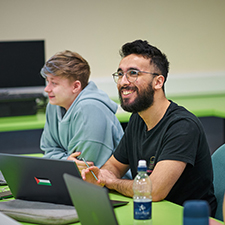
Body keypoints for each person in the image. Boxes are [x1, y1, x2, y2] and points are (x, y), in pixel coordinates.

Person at [82, 40, 217, 216]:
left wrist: (113, 182)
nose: (123, 82)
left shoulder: (183, 126)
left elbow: (153, 191)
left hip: (186, 218)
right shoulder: (137, 119)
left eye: (133, 73)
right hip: (151, 213)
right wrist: (101, 175)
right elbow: (113, 166)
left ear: (158, 82)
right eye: (120, 74)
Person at [40, 50, 125, 174]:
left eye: (54, 83)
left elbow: (84, 167)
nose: (47, 89)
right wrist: (66, 161)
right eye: (48, 82)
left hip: (108, 186)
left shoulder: (91, 108)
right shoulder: (54, 105)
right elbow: (49, 151)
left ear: (75, 86)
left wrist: (61, 162)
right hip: (74, 182)